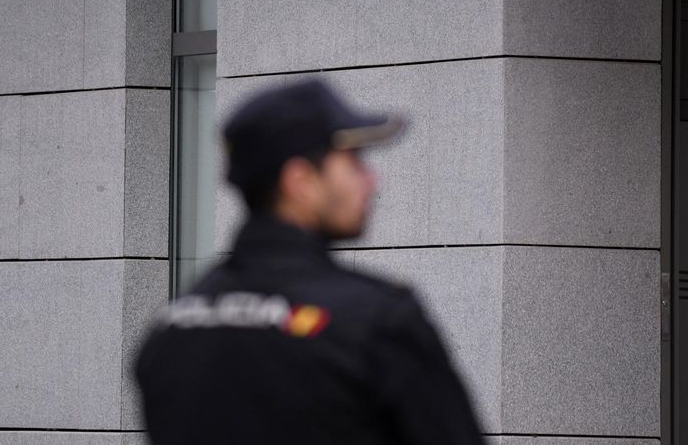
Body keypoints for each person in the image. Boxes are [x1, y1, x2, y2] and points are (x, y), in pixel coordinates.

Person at [135, 79, 484, 445]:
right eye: (353, 162)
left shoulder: (170, 332)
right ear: (300, 181)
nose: (371, 181)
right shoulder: (377, 322)